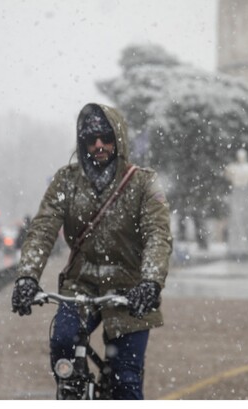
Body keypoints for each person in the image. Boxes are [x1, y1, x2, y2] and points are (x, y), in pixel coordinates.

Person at [11, 102, 173, 400]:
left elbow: (158, 235)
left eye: (105, 137)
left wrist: (150, 282)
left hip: (130, 288)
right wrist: (26, 277)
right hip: (80, 284)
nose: (98, 144)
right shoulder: (66, 181)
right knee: (63, 343)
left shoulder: (143, 182)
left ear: (119, 138)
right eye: (90, 138)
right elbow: (43, 229)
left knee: (126, 381)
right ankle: (74, 389)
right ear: (81, 142)